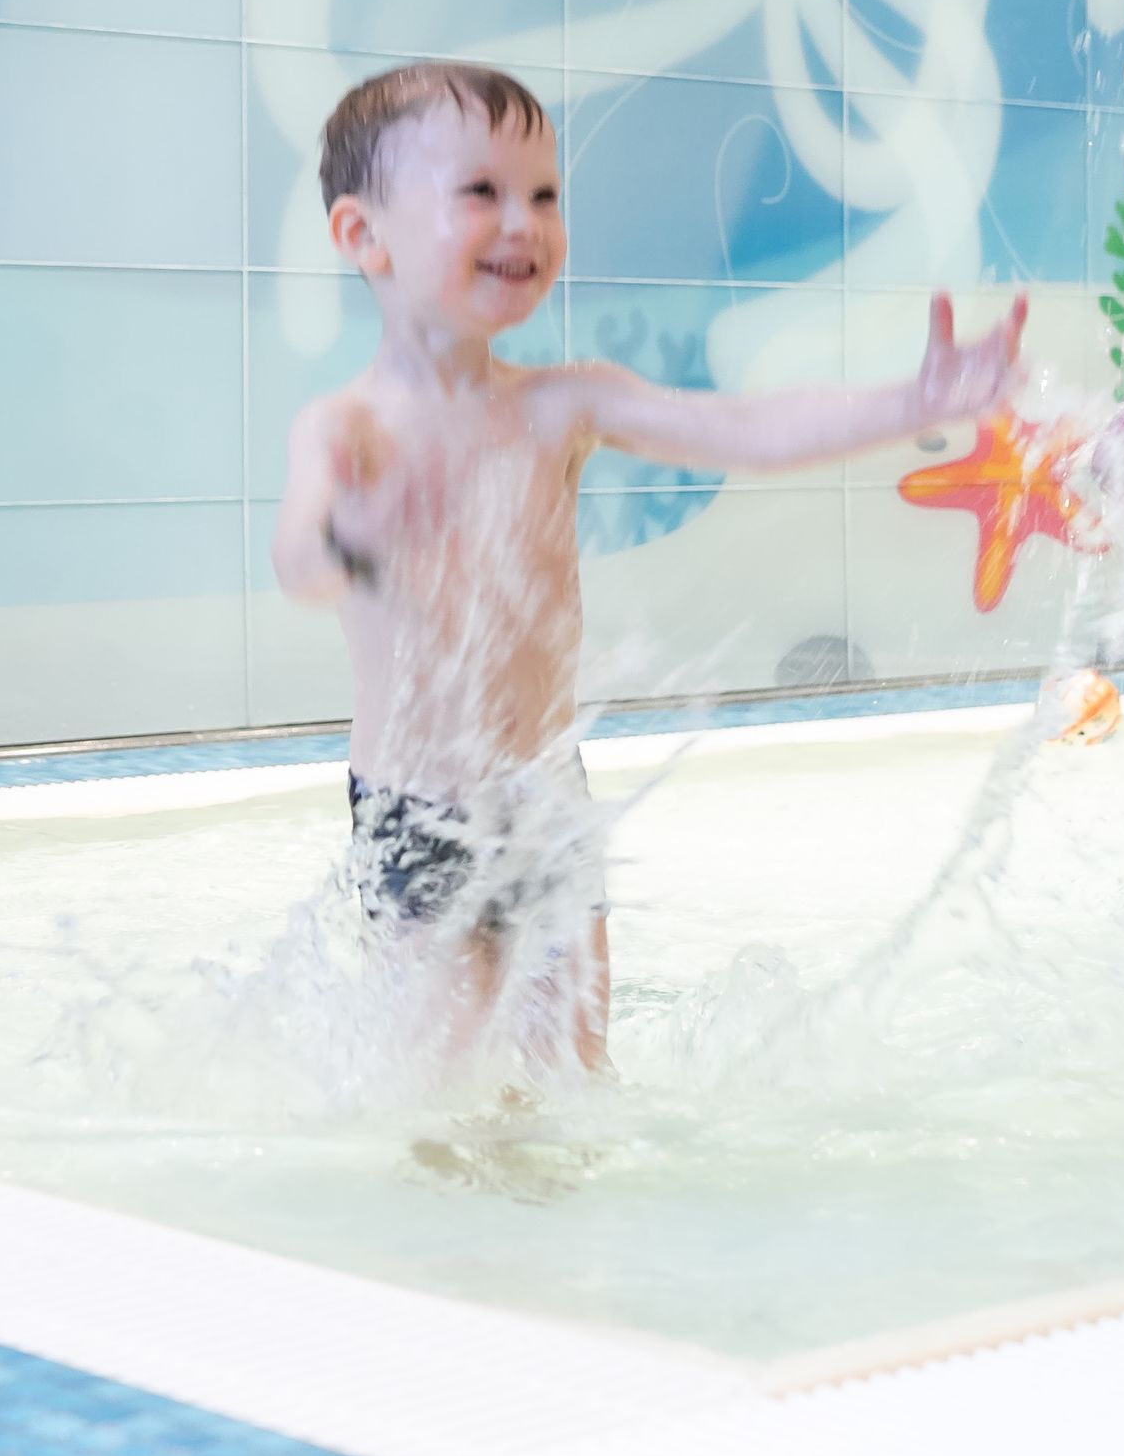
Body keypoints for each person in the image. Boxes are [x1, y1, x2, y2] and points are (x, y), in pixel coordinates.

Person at [269, 62, 1028, 1072]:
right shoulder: (351, 427)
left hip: (547, 797)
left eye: (543, 195)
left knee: (574, 1073)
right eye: (482, 192)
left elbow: (740, 427)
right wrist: (347, 543)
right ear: (365, 236)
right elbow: (298, 559)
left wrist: (912, 403)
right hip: (421, 813)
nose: (524, 221)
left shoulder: (561, 403)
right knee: (437, 1089)